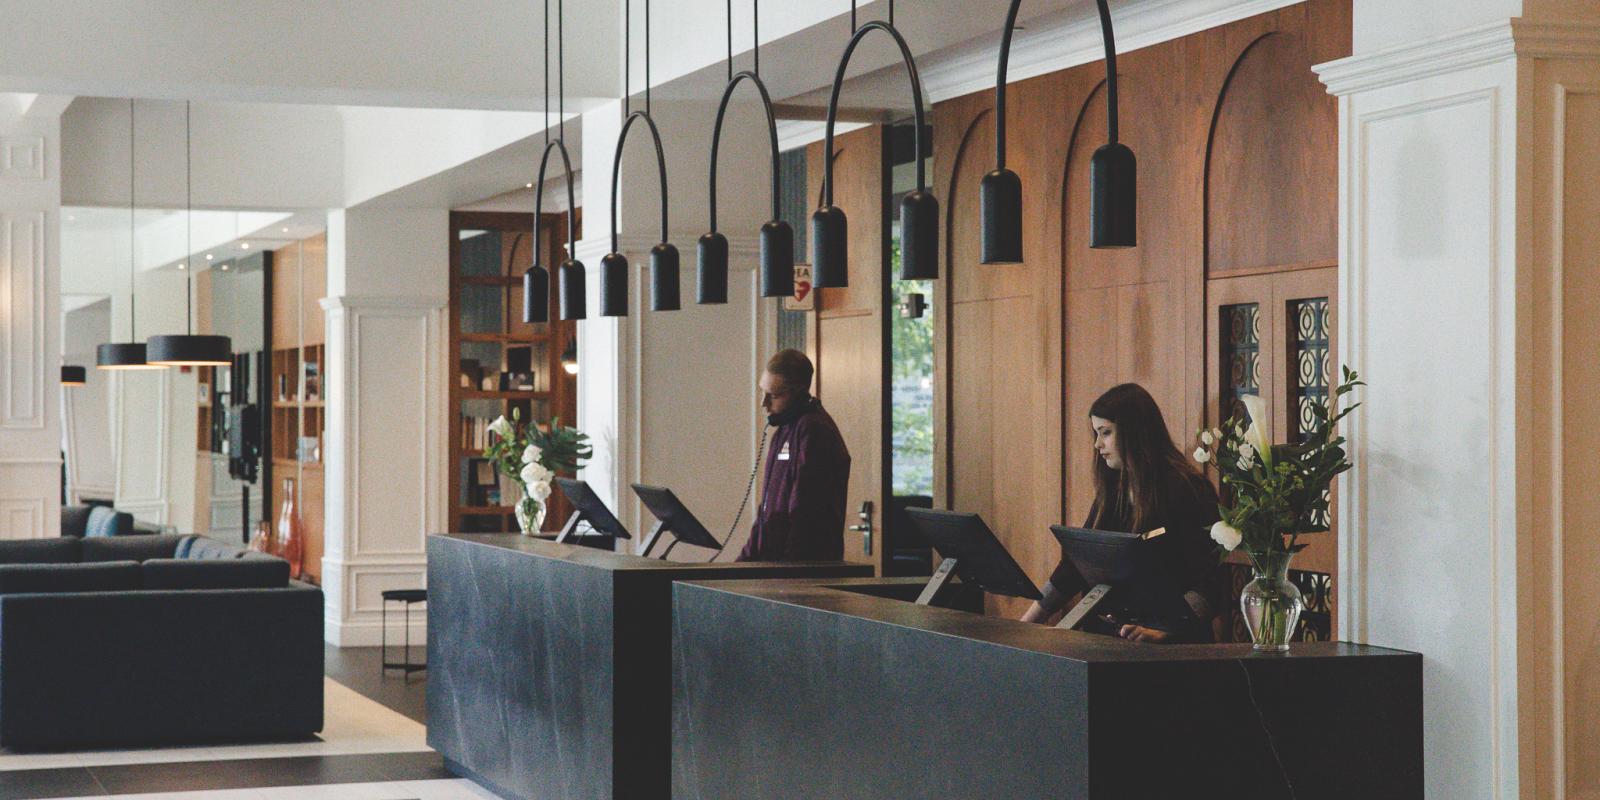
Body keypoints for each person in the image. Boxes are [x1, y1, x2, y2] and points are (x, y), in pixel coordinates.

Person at [1020, 383, 1222, 643]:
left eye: (1105, 433)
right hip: (1110, 634)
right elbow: (1077, 564)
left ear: (1134, 432)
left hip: (1167, 645)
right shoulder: (1114, 488)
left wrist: (1169, 628)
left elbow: (1212, 577)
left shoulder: (1188, 488)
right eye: (1096, 433)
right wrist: (1028, 622)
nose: (1097, 444)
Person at [737, 349, 851, 562]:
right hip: (774, 568)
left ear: (798, 394)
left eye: (773, 396)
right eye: (763, 392)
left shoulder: (815, 431)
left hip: (799, 572)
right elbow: (768, 513)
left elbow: (805, 515)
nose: (764, 404)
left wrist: (788, 572)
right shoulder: (783, 430)